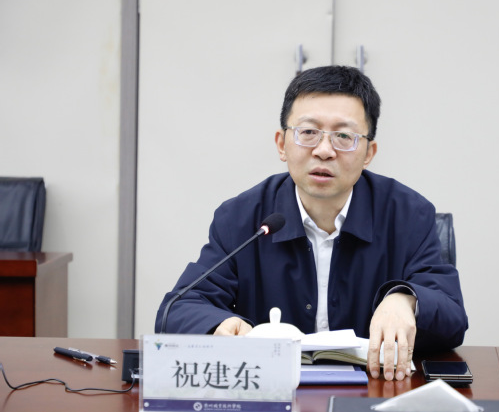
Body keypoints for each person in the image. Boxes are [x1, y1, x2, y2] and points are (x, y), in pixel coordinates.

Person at [155, 65, 468, 381]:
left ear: (369, 153)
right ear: (281, 144)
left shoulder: (408, 214)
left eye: (344, 136)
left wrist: (407, 299)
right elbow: (178, 308)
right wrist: (218, 326)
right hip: (274, 390)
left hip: (375, 390)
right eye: (308, 133)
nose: (324, 151)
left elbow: (453, 318)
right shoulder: (242, 218)